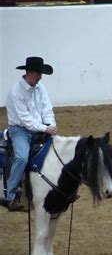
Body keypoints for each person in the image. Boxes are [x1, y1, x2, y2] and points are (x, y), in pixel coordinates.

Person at [0, 57, 58, 212]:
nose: (41, 77)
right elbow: (25, 119)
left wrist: (50, 124)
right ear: (30, 72)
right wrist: (45, 129)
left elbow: (46, 108)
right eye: (39, 73)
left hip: (40, 128)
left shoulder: (40, 88)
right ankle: (10, 196)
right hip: (19, 130)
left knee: (55, 152)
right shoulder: (15, 92)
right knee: (22, 156)